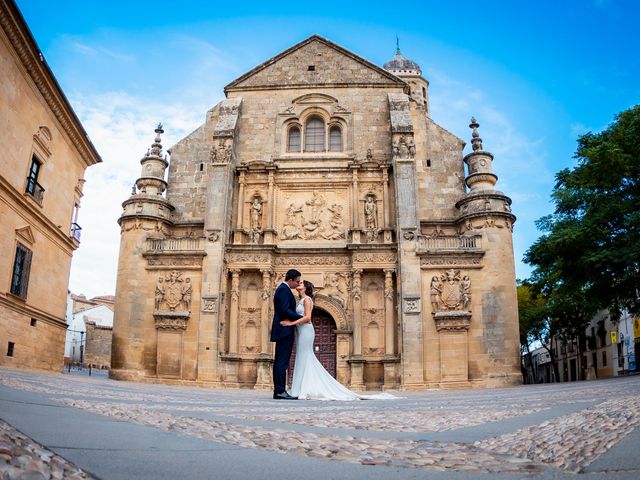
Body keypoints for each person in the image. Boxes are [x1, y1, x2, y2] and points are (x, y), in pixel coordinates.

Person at [281, 280, 397, 401]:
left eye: (301, 283)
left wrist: (291, 323)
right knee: (302, 357)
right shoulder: (301, 300)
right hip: (301, 331)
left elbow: (308, 318)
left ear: (305, 287)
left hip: (306, 331)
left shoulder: (307, 300)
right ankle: (299, 388)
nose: (298, 284)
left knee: (305, 356)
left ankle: (302, 388)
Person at [270, 269, 304, 400]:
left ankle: (278, 391)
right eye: (297, 281)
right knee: (282, 363)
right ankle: (280, 391)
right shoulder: (284, 290)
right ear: (290, 280)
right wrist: (301, 317)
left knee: (280, 361)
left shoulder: (283, 289)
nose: (298, 284)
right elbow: (284, 310)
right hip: (284, 329)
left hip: (283, 329)